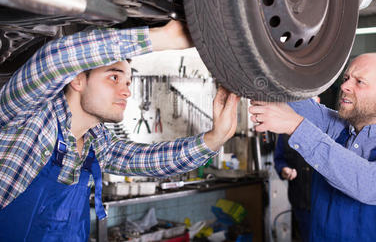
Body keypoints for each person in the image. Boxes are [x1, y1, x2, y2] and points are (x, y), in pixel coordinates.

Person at [0, 20, 240, 241]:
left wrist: (214, 139)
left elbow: (147, 160)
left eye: (128, 82)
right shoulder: (27, 117)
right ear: (77, 80)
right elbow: (57, 59)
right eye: (114, 77)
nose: (127, 91)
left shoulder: (97, 141)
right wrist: (164, 37)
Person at [249, 52, 376, 241]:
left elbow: (370, 184)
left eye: (359, 81)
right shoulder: (335, 128)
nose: (345, 86)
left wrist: (296, 127)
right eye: (346, 78)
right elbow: (284, 91)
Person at [274, 96, 319, 242]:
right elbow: (279, 159)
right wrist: (284, 169)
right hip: (299, 200)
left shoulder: (327, 129)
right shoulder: (284, 133)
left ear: (317, 101)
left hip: (322, 203)